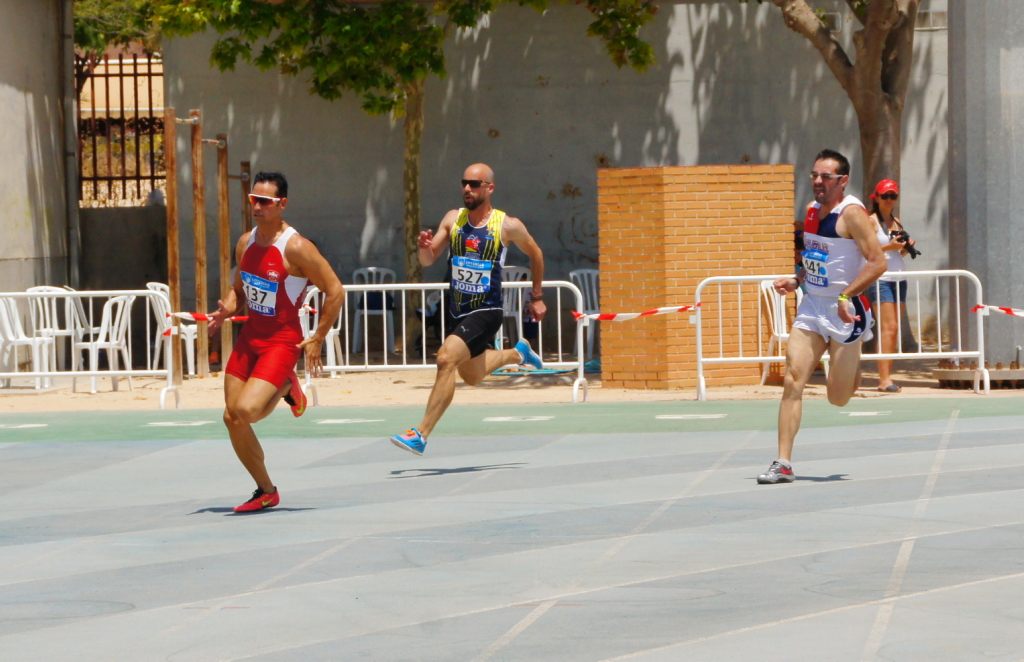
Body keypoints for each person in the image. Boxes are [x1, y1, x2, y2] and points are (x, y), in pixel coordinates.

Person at [207, 172, 345, 511]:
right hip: (250, 337)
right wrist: (226, 309)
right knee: (231, 418)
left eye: (265, 201)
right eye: (253, 199)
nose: (257, 206)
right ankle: (266, 490)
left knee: (247, 411)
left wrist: (318, 337)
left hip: (282, 340)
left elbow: (335, 290)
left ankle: (286, 384)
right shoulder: (245, 242)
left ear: (282, 204)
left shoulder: (296, 247)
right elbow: (239, 290)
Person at [390, 163, 546, 455]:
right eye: (464, 183)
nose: (467, 189)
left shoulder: (507, 225)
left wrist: (536, 296)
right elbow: (428, 259)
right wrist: (423, 247)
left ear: (490, 188)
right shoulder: (454, 219)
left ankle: (420, 433)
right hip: (456, 310)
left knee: (445, 358)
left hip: (486, 310)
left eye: (474, 184)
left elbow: (536, 253)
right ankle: (518, 353)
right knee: (472, 376)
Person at [758, 149, 887, 484]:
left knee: (837, 398)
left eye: (825, 176)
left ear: (842, 181)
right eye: (814, 175)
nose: (817, 181)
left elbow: (878, 262)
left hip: (847, 310)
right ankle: (783, 463)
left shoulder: (852, 214)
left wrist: (846, 295)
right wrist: (797, 279)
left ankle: (853, 360)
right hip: (813, 306)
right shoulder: (812, 211)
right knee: (793, 380)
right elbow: (814, 255)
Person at [865, 179, 915, 393]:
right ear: (876, 198)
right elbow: (866, 250)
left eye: (893, 196)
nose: (889, 199)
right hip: (881, 278)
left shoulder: (896, 221)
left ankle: (888, 376)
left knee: (894, 329)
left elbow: (896, 253)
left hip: (899, 278)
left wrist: (904, 248)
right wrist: (889, 246)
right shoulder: (871, 221)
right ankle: (883, 379)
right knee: (888, 327)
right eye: (885, 196)